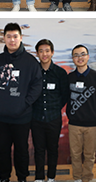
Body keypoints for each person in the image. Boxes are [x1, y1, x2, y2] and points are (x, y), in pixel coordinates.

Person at [0, 23, 43, 182]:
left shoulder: (30, 61)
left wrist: (24, 103)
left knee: (22, 150)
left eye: (15, 36)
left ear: (21, 38)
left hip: (22, 116)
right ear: (4, 39)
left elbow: (37, 85)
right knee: (2, 151)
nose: (12, 40)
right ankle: (3, 178)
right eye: (9, 36)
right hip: (1, 117)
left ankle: (22, 178)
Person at [31, 39, 69, 182]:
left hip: (53, 117)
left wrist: (53, 108)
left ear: (52, 52)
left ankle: (51, 177)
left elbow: (64, 95)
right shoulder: (34, 72)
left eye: (47, 51)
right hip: (36, 118)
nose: (44, 54)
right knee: (38, 149)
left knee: (53, 149)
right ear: (37, 53)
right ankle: (39, 177)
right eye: (41, 51)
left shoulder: (60, 73)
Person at [67, 44, 96, 182]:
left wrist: (94, 115)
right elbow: (66, 98)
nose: (79, 58)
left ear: (88, 56)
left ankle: (87, 179)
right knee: (75, 154)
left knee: (89, 155)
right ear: (73, 58)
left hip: (92, 124)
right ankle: (77, 178)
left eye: (82, 54)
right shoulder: (69, 78)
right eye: (76, 55)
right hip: (74, 124)